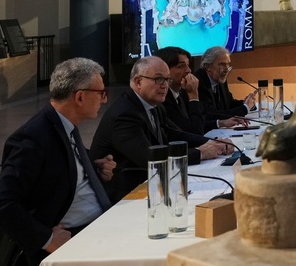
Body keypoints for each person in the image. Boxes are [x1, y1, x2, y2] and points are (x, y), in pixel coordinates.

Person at [0, 58, 116, 266]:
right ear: (80, 97)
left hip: (96, 227)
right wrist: (47, 239)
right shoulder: (34, 138)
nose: (104, 99)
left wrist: (94, 169)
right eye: (101, 93)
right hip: (70, 239)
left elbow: (62, 168)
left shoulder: (64, 125)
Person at [90, 56, 232, 200]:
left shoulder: (155, 106)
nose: (165, 85)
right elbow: (148, 158)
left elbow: (176, 135)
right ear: (138, 81)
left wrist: (212, 143)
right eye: (159, 79)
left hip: (152, 185)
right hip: (125, 195)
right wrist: (200, 153)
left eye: (167, 79)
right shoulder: (125, 114)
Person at [157, 46, 246, 134]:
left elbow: (196, 122)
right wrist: (193, 96)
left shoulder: (178, 94)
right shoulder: (164, 98)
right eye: (181, 66)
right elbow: (194, 130)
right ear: (165, 70)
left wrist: (220, 123)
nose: (189, 70)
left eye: (188, 65)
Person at [193, 46, 257, 121]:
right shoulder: (197, 82)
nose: (226, 69)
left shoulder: (220, 78)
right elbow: (211, 114)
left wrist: (247, 103)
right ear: (208, 67)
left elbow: (229, 103)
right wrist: (245, 108)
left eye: (228, 64)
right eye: (222, 65)